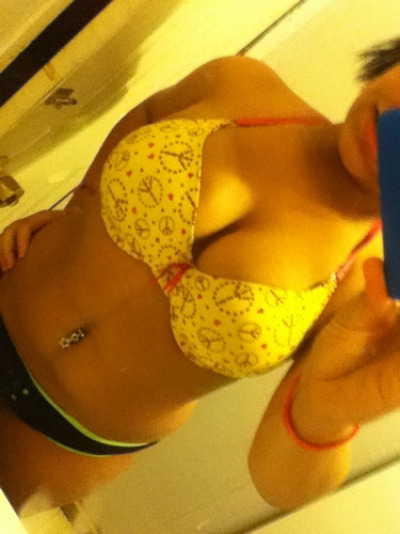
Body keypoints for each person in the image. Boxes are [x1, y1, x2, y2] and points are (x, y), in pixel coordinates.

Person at [0, 38, 400, 514]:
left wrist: (327, 417)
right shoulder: (239, 83)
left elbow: (278, 485)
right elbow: (147, 115)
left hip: (63, 440)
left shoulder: (367, 291)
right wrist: (80, 206)